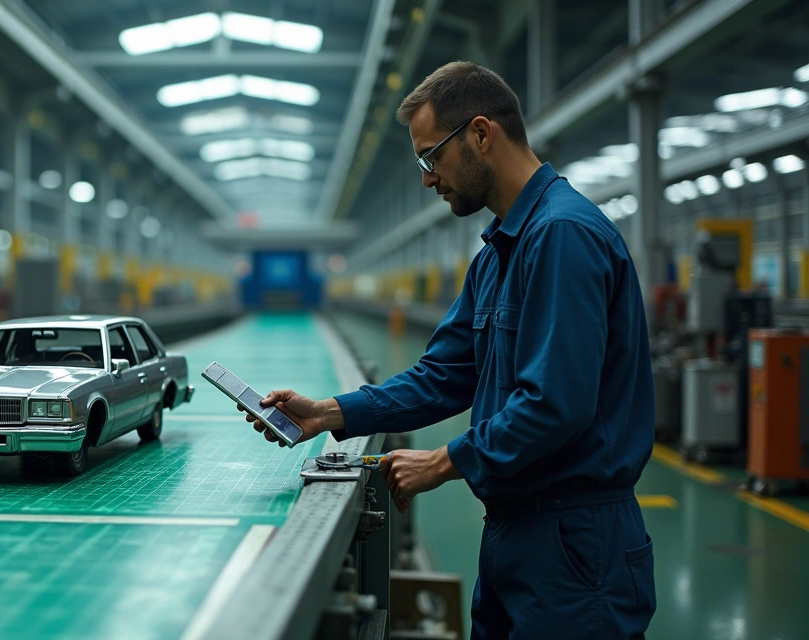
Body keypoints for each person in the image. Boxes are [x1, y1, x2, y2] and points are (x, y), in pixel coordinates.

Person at [239, 61, 656, 639]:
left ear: (481, 135)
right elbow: (444, 375)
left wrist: (442, 462)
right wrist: (329, 412)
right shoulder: (495, 257)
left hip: (574, 544)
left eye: (431, 156)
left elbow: (556, 404)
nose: (428, 179)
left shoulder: (563, 235)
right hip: (513, 532)